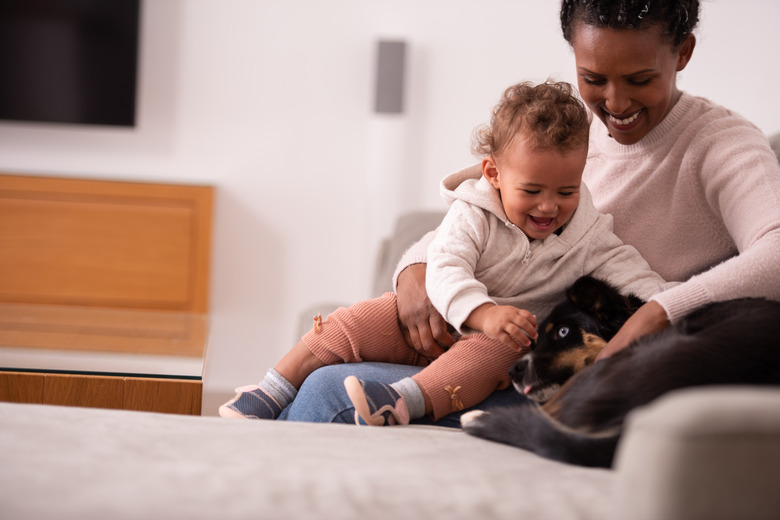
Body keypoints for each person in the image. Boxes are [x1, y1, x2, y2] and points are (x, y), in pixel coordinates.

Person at [277, 0, 780, 427]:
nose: (616, 102)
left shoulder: (722, 143)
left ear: (684, 52)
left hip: (567, 367)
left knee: (332, 392)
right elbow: (482, 209)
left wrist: (659, 312)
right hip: (494, 325)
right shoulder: (571, 129)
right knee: (333, 359)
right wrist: (415, 268)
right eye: (593, 78)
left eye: (640, 79)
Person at [219, 80, 672, 425]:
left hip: (482, 346)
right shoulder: (472, 211)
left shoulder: (588, 234)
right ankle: (271, 391)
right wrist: (483, 311)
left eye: (566, 191)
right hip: (433, 320)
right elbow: (446, 265)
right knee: (359, 319)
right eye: (531, 190)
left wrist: (675, 303)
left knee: (499, 349)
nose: (549, 206)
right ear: (494, 173)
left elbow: (637, 277)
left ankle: (402, 401)